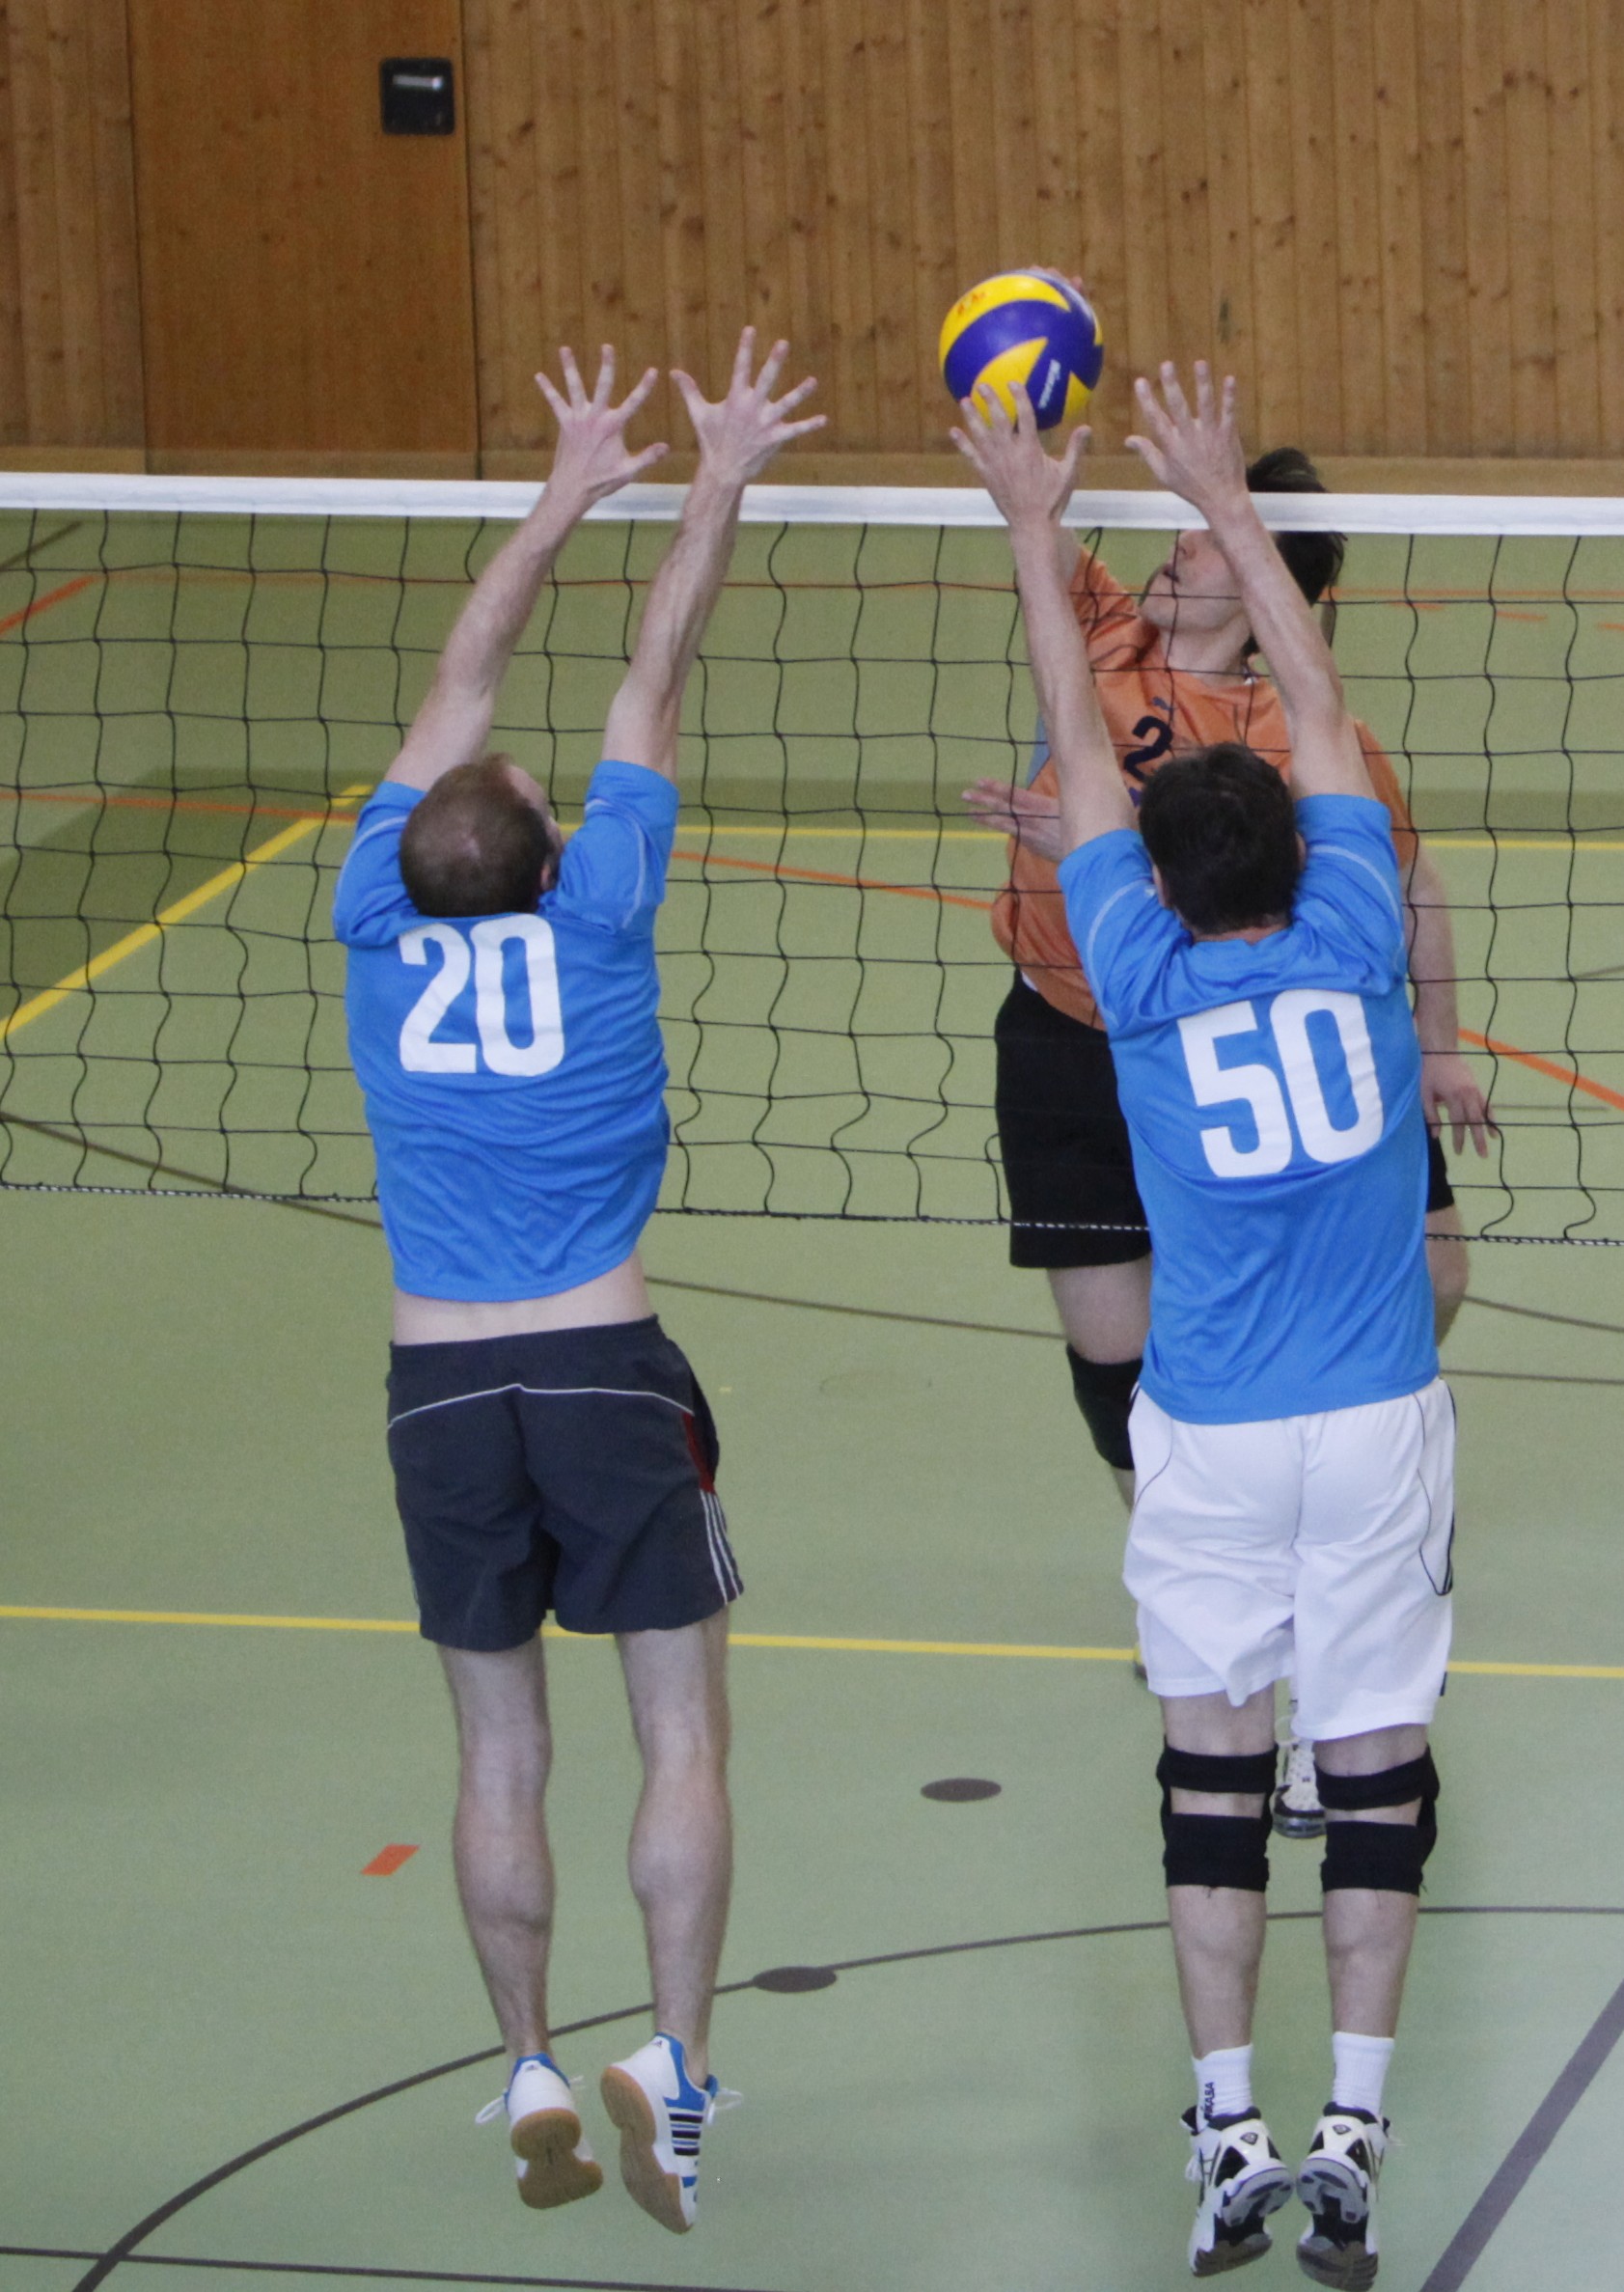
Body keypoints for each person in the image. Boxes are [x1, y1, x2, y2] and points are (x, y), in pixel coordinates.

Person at [953, 364, 1453, 2285]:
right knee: (1376, 1787)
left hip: (1213, 1439)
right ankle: (1354, 2130)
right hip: (1377, 1422)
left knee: (1209, 1789)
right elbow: (1321, 726)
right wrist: (1235, 519)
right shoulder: (1358, 944)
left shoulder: (1142, 993)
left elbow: (1087, 753)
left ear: (1153, 882)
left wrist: (1031, 518)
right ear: (1308, 851)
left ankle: (1227, 2128)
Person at [332, 333, 822, 2233]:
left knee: (497, 1749)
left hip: (440, 1387)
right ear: (548, 857)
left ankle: (530, 2059)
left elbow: (457, 683)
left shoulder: (374, 917)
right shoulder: (602, 911)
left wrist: (554, 494)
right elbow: (649, 677)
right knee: (680, 1733)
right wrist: (714, 475)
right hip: (604, 1365)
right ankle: (671, 2069)